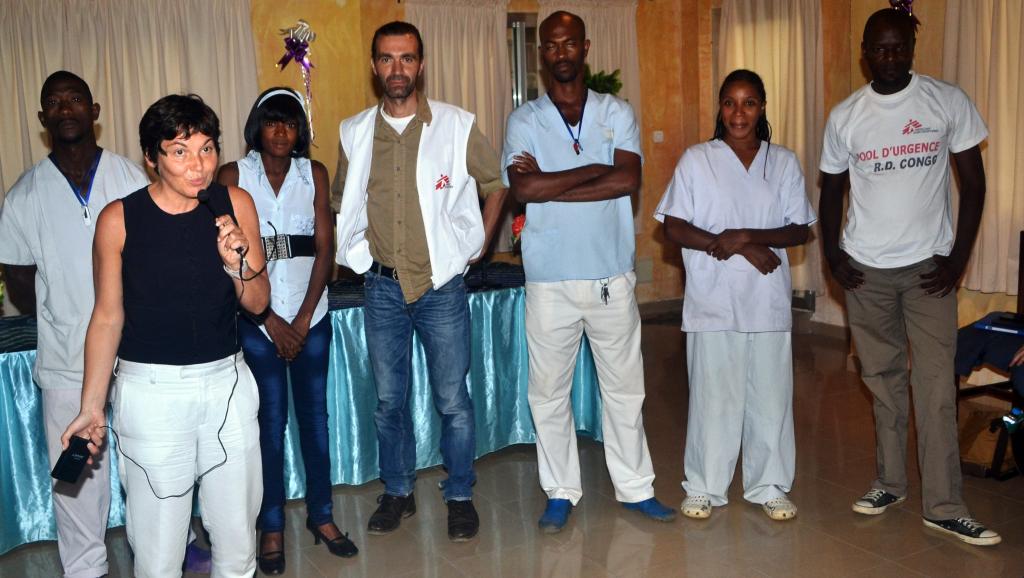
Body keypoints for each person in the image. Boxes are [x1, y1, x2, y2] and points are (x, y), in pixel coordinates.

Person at [61, 94, 271, 576]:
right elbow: (107, 318)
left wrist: (235, 261)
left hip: (228, 386)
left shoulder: (234, 203)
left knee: (239, 546)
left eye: (206, 148)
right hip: (151, 395)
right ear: (152, 158)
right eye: (180, 151)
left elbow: (259, 303)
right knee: (158, 555)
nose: (198, 166)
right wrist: (91, 406)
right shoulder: (119, 219)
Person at [819, 5, 999, 546]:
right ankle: (890, 483)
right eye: (880, 48)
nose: (891, 56)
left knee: (937, 388)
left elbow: (975, 184)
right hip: (866, 273)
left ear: (911, 50)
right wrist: (833, 256)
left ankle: (944, 505)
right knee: (884, 384)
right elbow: (831, 191)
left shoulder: (947, 101)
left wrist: (958, 257)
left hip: (928, 272)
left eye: (899, 47)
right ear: (865, 54)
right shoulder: (846, 116)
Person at [332, 21, 508, 542]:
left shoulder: (456, 124)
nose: (397, 69)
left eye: (407, 58)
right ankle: (398, 492)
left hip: (442, 288)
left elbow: (496, 182)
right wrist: (356, 253)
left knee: (453, 401)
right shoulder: (355, 131)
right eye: (387, 59)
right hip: (382, 288)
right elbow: (344, 200)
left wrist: (479, 245)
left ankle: (459, 495)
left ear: (421, 64)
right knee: (390, 401)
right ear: (374, 66)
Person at [502, 11, 674, 533]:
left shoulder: (614, 112)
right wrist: (597, 169)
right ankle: (560, 491)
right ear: (542, 54)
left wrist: (557, 180)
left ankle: (636, 488)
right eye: (550, 45)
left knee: (624, 389)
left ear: (585, 47)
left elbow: (628, 181)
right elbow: (523, 190)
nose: (560, 52)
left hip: (610, 278)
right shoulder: (524, 120)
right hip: (549, 280)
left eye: (569, 42)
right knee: (548, 394)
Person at [0, 70, 149, 578]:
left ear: (95, 110)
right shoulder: (23, 196)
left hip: (137, 358)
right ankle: (86, 571)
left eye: (75, 99)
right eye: (54, 102)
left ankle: (158, 560)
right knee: (78, 485)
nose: (66, 109)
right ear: (42, 118)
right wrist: (67, 308)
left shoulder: (130, 179)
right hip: (66, 367)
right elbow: (19, 285)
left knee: (149, 472)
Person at [656, 69, 815, 521]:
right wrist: (728, 245)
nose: (738, 113)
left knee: (770, 396)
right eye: (729, 103)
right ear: (720, 108)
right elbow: (673, 225)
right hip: (713, 297)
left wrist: (743, 235)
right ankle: (704, 486)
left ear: (762, 107)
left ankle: (770, 485)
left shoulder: (782, 162)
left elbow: (798, 228)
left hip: (765, 299)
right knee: (713, 395)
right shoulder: (697, 159)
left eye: (748, 103)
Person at [216, 87, 356, 573]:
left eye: (290, 123)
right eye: (272, 122)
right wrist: (270, 320)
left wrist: (299, 320)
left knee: (315, 423)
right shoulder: (234, 175)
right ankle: (271, 525)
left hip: (310, 318)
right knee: (269, 427)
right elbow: (225, 258)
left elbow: (324, 249)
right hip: (257, 324)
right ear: (258, 126)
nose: (280, 131)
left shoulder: (311, 173)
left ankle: (322, 516)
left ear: (300, 131)